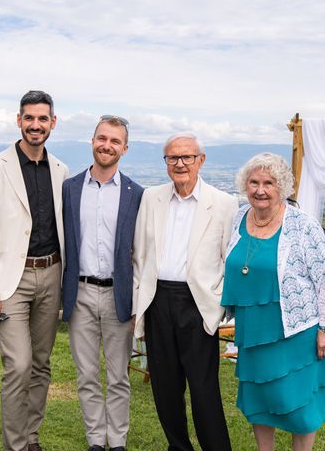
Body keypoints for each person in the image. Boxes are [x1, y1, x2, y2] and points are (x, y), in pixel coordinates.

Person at [221, 153, 325, 451]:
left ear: (282, 186)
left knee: (299, 405)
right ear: (245, 185)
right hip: (253, 329)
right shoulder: (239, 217)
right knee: (259, 399)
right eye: (253, 182)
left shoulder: (304, 226)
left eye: (268, 183)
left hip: (298, 329)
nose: (260, 190)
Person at [0, 90, 68, 451]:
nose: (36, 125)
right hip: (11, 281)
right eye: (29, 118)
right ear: (19, 120)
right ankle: (15, 445)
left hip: (52, 275)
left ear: (52, 123)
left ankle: (31, 439)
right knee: (19, 365)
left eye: (43, 119)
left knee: (41, 364)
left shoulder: (61, 171)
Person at [132, 132, 238, 451]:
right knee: (165, 387)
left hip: (199, 304)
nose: (180, 164)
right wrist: (140, 301)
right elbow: (139, 254)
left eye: (187, 157)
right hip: (157, 300)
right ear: (165, 162)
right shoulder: (151, 198)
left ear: (200, 160)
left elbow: (227, 260)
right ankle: (178, 447)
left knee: (203, 388)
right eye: (172, 158)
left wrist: (219, 305)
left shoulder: (223, 203)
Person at [61, 115, 144, 451]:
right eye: (102, 138)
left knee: (118, 376)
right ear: (92, 140)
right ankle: (96, 439)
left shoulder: (137, 194)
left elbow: (140, 251)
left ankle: (118, 440)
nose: (107, 145)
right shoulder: (69, 188)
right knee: (86, 375)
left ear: (124, 148)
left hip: (117, 295)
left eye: (114, 141)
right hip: (78, 292)